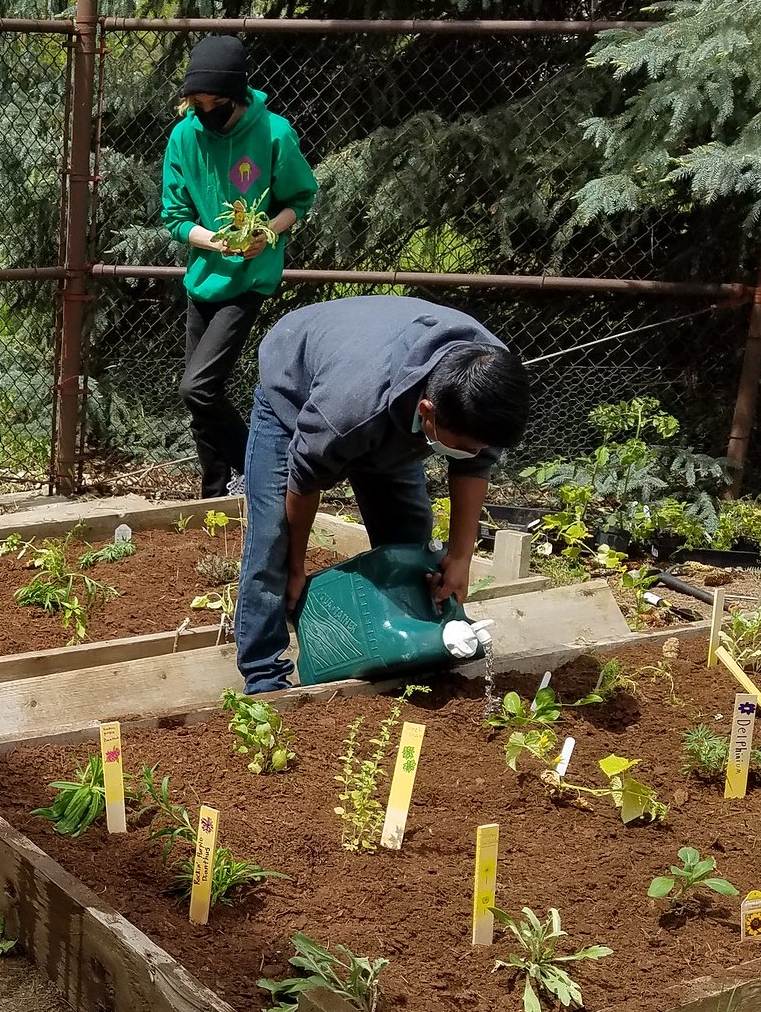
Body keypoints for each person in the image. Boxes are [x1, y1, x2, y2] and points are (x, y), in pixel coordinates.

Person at [235, 295, 532, 693]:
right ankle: (264, 677)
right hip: (297, 385)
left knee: (408, 539)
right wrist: (295, 567)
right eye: (466, 444)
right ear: (427, 412)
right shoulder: (348, 412)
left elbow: (475, 463)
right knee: (273, 540)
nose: (477, 452)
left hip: (386, 398)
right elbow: (303, 484)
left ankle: (408, 656)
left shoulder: (486, 385)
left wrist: (461, 556)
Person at [160, 35, 317, 498]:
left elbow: (299, 200)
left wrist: (266, 232)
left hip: (249, 279)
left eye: (213, 103)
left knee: (197, 388)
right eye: (195, 103)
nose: (203, 112)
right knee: (202, 400)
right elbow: (174, 216)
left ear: (236, 97)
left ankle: (265, 472)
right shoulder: (184, 135)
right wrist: (215, 240)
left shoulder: (274, 133)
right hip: (202, 280)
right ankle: (215, 493)